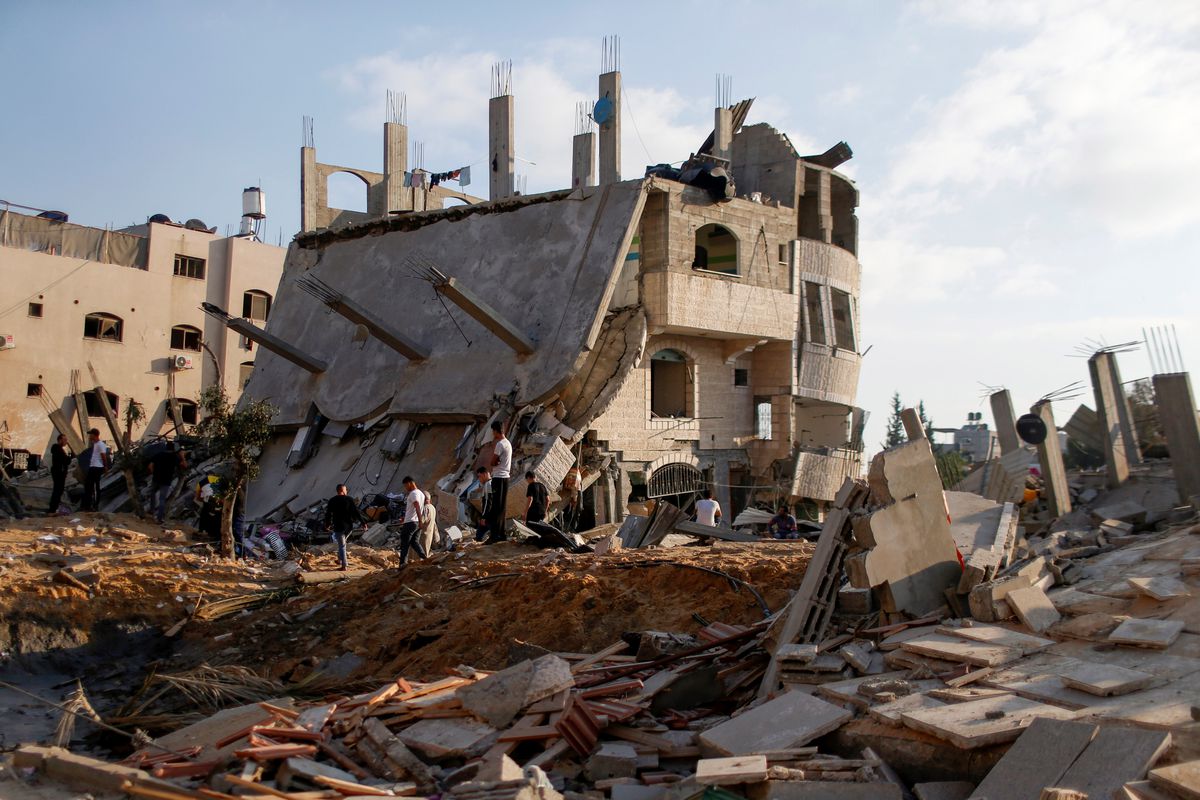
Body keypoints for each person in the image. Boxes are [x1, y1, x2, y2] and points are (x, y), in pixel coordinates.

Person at [324, 484, 366, 571]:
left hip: (338, 527)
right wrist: (363, 523)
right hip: (348, 527)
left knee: (342, 546)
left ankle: (344, 565)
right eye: (346, 489)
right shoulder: (349, 499)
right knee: (342, 544)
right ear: (342, 490)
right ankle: (340, 559)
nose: (346, 491)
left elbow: (328, 514)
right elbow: (356, 512)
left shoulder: (332, 500)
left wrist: (327, 524)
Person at [147, 443, 187, 524]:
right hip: (166, 481)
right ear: (173, 449)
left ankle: (151, 511)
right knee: (162, 499)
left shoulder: (158, 455)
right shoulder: (174, 457)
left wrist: (154, 473)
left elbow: (150, 466)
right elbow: (185, 465)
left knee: (152, 494)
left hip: (156, 479)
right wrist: (182, 456)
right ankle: (159, 518)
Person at [486, 421, 512, 543]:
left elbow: (492, 461)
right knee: (501, 507)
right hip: (505, 478)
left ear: (496, 431)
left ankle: (494, 536)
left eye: (493, 431)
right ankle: (501, 534)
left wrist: (494, 462)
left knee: (495, 507)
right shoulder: (508, 443)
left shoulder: (500, 444)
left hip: (498, 477)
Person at [397, 476, 429, 565]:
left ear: (409, 483)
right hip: (416, 522)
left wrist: (420, 521)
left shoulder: (413, 493)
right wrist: (419, 521)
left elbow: (417, 506)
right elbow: (414, 509)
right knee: (414, 542)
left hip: (410, 523)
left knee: (405, 544)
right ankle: (425, 558)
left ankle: (402, 564)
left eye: (405, 485)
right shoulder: (421, 494)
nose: (405, 488)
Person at [81, 428, 110, 511]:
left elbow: (103, 456)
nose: (89, 436)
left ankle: (95, 505)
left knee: (95, 487)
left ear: (94, 435)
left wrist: (105, 467)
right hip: (93, 467)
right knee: (88, 486)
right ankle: (88, 505)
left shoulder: (100, 444)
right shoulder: (96, 444)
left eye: (91, 434)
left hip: (97, 468)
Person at [47, 434, 71, 514]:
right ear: (60, 440)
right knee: (58, 490)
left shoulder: (59, 449)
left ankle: (54, 508)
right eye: (64, 440)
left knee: (58, 490)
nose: (66, 442)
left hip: (59, 472)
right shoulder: (58, 449)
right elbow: (66, 461)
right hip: (58, 473)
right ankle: (53, 509)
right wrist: (68, 457)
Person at [474, 466, 494, 542]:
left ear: (485, 474)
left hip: (489, 515)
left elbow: (487, 502)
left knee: (480, 535)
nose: (479, 479)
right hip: (491, 514)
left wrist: (484, 517)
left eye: (480, 476)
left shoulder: (488, 484)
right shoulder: (490, 483)